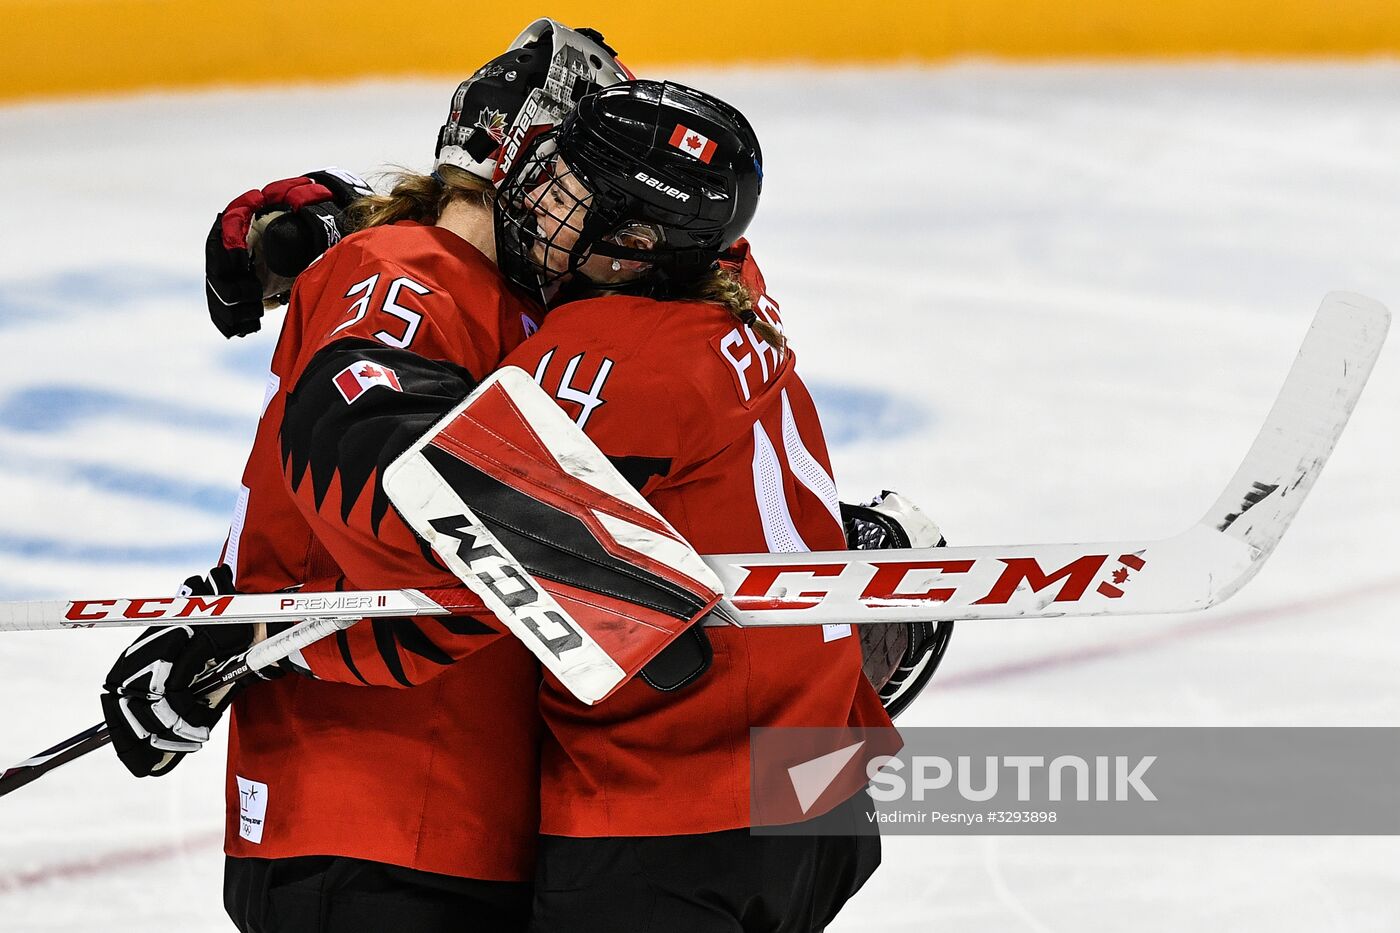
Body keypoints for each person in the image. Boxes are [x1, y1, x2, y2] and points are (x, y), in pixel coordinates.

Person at [101, 20, 636, 933]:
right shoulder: (405, 276)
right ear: (522, 170)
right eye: (588, 188)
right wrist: (238, 628)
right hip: (373, 819)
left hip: (436, 817)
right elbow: (375, 484)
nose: (608, 223)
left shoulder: (478, 289)